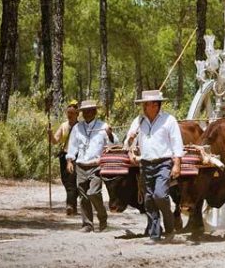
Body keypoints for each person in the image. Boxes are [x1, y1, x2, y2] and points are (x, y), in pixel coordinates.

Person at [125, 90, 184, 244]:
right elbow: (128, 143)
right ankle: (155, 235)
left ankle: (169, 227)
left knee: (160, 195)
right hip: (145, 164)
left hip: (163, 162)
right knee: (149, 199)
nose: (144, 107)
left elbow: (177, 143)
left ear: (156, 105)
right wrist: (130, 141)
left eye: (147, 104)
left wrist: (177, 164)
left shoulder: (169, 120)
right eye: (144, 104)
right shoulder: (138, 121)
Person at [66, 100, 114, 233]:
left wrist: (109, 133)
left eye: (90, 111)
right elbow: (72, 146)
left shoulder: (103, 126)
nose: (87, 113)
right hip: (81, 165)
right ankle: (87, 224)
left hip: (96, 165)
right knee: (83, 196)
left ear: (95, 111)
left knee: (93, 193)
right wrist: (69, 161)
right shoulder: (77, 128)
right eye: (84, 111)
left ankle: (103, 219)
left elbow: (114, 143)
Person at [48, 99, 79, 215]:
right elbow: (55, 141)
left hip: (76, 156)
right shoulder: (63, 126)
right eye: (68, 113)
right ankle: (73, 204)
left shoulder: (80, 126)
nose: (70, 115)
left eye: (72, 113)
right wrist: (50, 134)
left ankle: (70, 205)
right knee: (66, 181)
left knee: (71, 181)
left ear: (77, 114)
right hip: (64, 156)